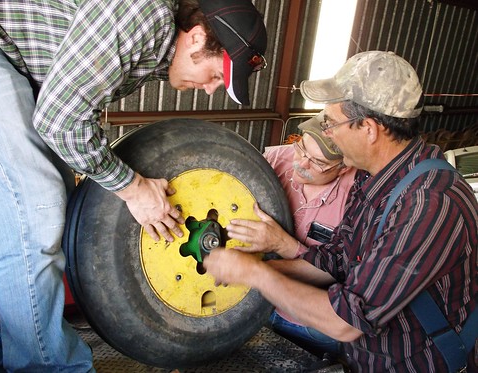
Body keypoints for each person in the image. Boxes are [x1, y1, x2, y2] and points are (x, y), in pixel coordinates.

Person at [0, 0, 267, 371]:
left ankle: (8, 360)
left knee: (55, 216)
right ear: (197, 37)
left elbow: (76, 108)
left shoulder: (158, 53)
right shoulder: (142, 13)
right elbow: (59, 121)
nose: (211, 90)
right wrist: (132, 187)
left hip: (13, 61)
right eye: (215, 75)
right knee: (35, 217)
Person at [204, 51, 478, 372]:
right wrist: (260, 264)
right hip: (366, 359)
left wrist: (255, 275)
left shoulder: (428, 204)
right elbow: (337, 258)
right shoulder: (371, 175)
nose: (329, 133)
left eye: (332, 122)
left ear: (370, 129)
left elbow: (347, 322)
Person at [246, 112, 355, 357]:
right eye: (302, 148)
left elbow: (344, 273)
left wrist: (286, 245)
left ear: (344, 165)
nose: (301, 164)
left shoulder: (356, 198)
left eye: (318, 162)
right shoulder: (273, 160)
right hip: (257, 307)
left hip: (310, 325)